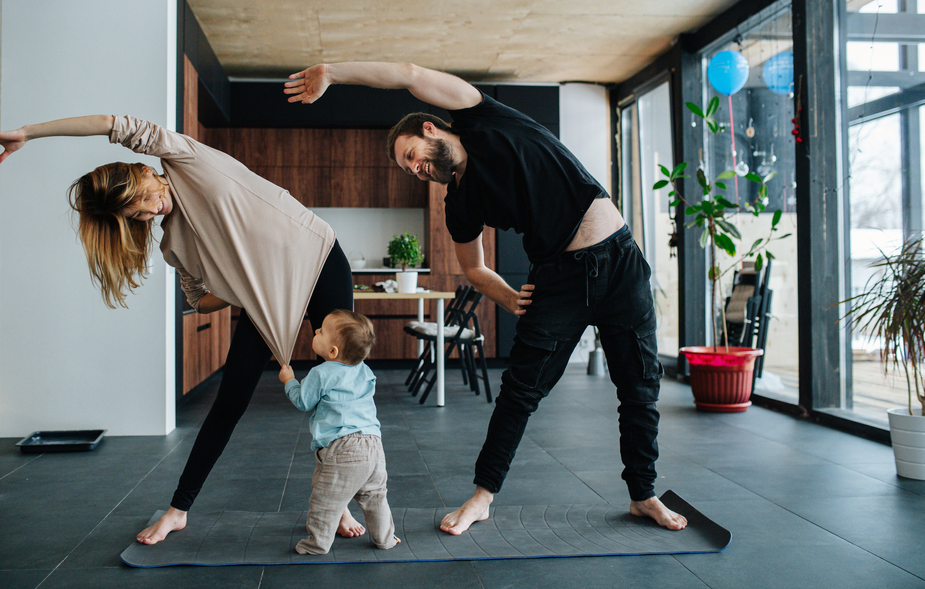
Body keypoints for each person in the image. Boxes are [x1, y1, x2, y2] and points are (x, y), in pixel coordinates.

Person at [284, 63, 688, 535]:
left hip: (620, 262)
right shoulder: (459, 204)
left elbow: (410, 73)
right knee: (519, 393)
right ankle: (482, 498)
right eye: (409, 168)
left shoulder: (484, 117)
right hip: (558, 278)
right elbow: (473, 268)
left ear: (431, 128)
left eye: (412, 154)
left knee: (640, 387)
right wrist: (512, 298)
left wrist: (333, 71)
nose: (416, 169)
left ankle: (643, 495)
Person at [0, 115, 368, 544]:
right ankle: (178, 510)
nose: (148, 209)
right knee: (229, 402)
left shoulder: (185, 158)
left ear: (144, 170)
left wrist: (30, 133)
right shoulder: (173, 244)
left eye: (142, 197)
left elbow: (110, 123)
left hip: (320, 259)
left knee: (339, 391)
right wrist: (240, 286)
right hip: (266, 301)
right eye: (134, 213)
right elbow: (199, 301)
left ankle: (339, 501)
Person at [278, 309, 400, 555]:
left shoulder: (321, 373)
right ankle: (385, 538)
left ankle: (317, 544)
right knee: (375, 498)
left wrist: (289, 381)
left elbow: (303, 402)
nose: (316, 331)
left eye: (321, 331)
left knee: (325, 500)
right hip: (374, 445)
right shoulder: (365, 371)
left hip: (343, 448)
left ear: (332, 351)